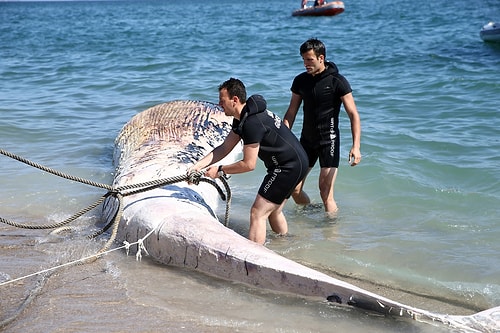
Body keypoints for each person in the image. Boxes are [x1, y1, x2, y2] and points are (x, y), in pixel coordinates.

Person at [189, 78, 308, 245]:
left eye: (222, 101)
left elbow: (249, 164)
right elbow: (225, 148)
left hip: (287, 167)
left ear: (235, 100)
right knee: (273, 211)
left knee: (257, 213)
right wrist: (198, 166)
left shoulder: (251, 123)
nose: (219, 104)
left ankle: (254, 261)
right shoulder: (244, 117)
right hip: (298, 161)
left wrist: (220, 170)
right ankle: (285, 246)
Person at [283, 38, 362, 215]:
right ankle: (310, 214)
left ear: (321, 58)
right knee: (294, 189)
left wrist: (356, 146)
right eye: (303, 59)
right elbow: (291, 112)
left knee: (325, 192)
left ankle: (331, 234)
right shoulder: (300, 81)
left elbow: (353, 114)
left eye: (309, 60)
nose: (305, 64)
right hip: (307, 140)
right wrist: (282, 136)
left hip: (329, 141)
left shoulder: (337, 81)